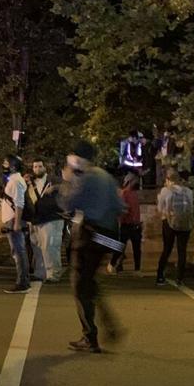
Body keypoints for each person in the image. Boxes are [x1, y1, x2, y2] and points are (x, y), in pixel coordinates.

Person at [60, 141, 125, 353]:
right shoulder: (107, 177)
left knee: (80, 286)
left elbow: (67, 203)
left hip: (89, 235)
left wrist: (68, 179)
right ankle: (108, 323)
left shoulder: (84, 177)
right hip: (107, 236)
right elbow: (120, 207)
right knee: (90, 281)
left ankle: (91, 336)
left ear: (77, 158)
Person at [26, 159, 64, 283]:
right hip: (36, 219)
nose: (37, 169)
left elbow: (68, 187)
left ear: (44, 167)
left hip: (51, 218)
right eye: (35, 167)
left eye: (40, 166)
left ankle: (54, 274)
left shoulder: (54, 180)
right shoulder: (30, 182)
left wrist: (54, 188)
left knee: (50, 247)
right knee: (37, 247)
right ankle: (40, 273)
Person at [155, 168, 194, 286]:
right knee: (182, 250)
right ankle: (180, 278)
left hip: (169, 222)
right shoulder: (188, 191)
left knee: (167, 249)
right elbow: (191, 208)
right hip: (185, 223)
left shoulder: (165, 191)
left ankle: (160, 276)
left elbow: (160, 208)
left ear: (168, 180)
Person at [0, 156, 31, 293]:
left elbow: (19, 203)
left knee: (18, 252)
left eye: (6, 163)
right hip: (12, 220)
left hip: (14, 220)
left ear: (13, 166)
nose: (3, 165)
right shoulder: (13, 180)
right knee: (18, 251)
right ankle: (23, 281)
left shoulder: (16, 181)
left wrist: (17, 223)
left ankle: (22, 283)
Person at [110, 173, 143, 273]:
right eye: (134, 181)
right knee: (121, 247)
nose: (136, 183)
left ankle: (136, 268)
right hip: (127, 224)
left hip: (134, 224)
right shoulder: (125, 193)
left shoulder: (132, 193)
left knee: (134, 248)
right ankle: (114, 264)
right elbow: (123, 209)